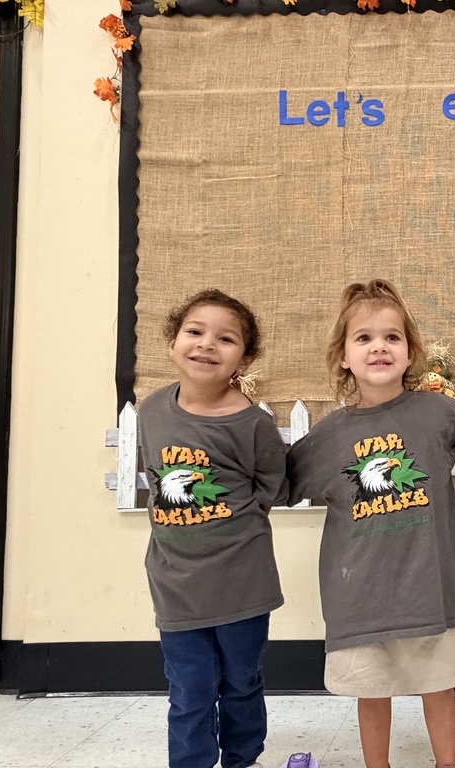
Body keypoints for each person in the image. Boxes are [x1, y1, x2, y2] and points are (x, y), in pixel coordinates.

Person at [286, 279, 455, 768]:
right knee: (371, 691)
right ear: (343, 357)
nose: (379, 346)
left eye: (392, 337)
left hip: (434, 591)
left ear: (410, 351)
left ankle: (448, 762)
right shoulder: (330, 434)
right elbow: (279, 483)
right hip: (362, 599)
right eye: (364, 338)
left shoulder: (438, 412)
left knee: (438, 684)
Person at [138, 289, 287, 768]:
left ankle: (243, 758)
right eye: (195, 332)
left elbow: (269, 488)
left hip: (243, 582)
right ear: (173, 340)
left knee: (241, 680)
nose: (206, 345)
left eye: (225, 339)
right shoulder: (152, 410)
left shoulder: (253, 424)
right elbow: (154, 477)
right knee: (189, 688)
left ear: (244, 359)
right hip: (175, 583)